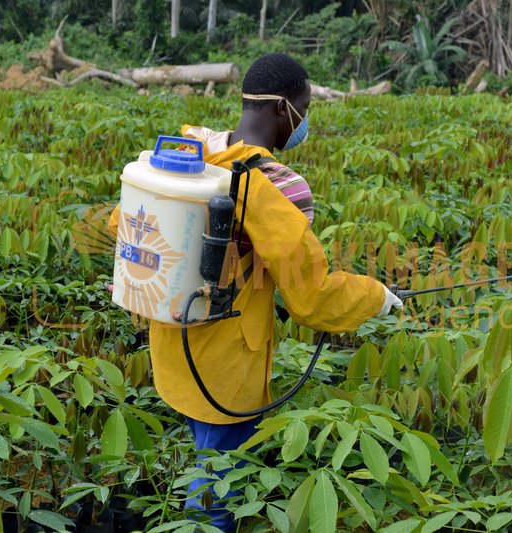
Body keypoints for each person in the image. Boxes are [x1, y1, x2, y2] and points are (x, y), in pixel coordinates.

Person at [109, 52, 402, 531]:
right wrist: (374, 296)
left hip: (174, 345)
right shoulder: (280, 186)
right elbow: (309, 295)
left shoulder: (194, 153)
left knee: (206, 462)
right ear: (283, 109)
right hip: (227, 370)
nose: (305, 121)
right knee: (218, 495)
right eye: (305, 107)